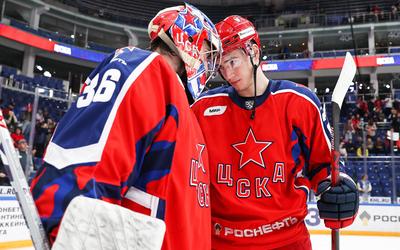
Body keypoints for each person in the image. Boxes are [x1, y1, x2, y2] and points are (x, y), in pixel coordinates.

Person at [30, 3, 222, 249]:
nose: (208, 64)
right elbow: (85, 169)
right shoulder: (145, 68)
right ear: (188, 41)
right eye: (207, 51)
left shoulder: (184, 109)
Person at [191, 15, 359, 249]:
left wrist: (338, 189)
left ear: (254, 52)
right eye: (221, 67)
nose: (228, 75)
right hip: (221, 241)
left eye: (232, 62)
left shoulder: (298, 102)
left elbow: (323, 166)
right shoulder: (202, 108)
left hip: (287, 241)